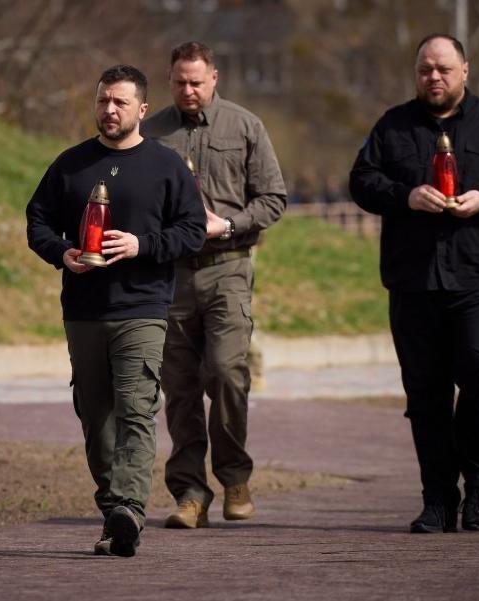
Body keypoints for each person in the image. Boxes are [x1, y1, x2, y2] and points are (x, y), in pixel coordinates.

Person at [349, 34, 479, 533]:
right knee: (426, 393)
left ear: (464, 71)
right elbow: (361, 181)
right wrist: (404, 195)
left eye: (442, 69)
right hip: (415, 280)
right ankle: (437, 498)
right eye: (423, 70)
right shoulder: (392, 126)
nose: (432, 78)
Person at [25, 64, 205, 556]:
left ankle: (129, 506)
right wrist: (61, 252)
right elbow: (36, 222)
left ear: (142, 109)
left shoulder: (167, 167)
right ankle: (116, 514)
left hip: (142, 309)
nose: (110, 109)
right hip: (83, 310)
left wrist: (142, 245)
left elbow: (192, 230)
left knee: (136, 409)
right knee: (95, 417)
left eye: (120, 102)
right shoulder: (70, 164)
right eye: (104, 100)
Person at [141, 41, 287, 529]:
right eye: (180, 82)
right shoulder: (151, 132)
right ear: (169, 80)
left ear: (215, 78)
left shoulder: (245, 126)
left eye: (196, 82)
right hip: (170, 273)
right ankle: (189, 493)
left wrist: (226, 225)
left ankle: (235, 477)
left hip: (228, 266)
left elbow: (273, 198)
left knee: (226, 372)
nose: (188, 90)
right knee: (178, 388)